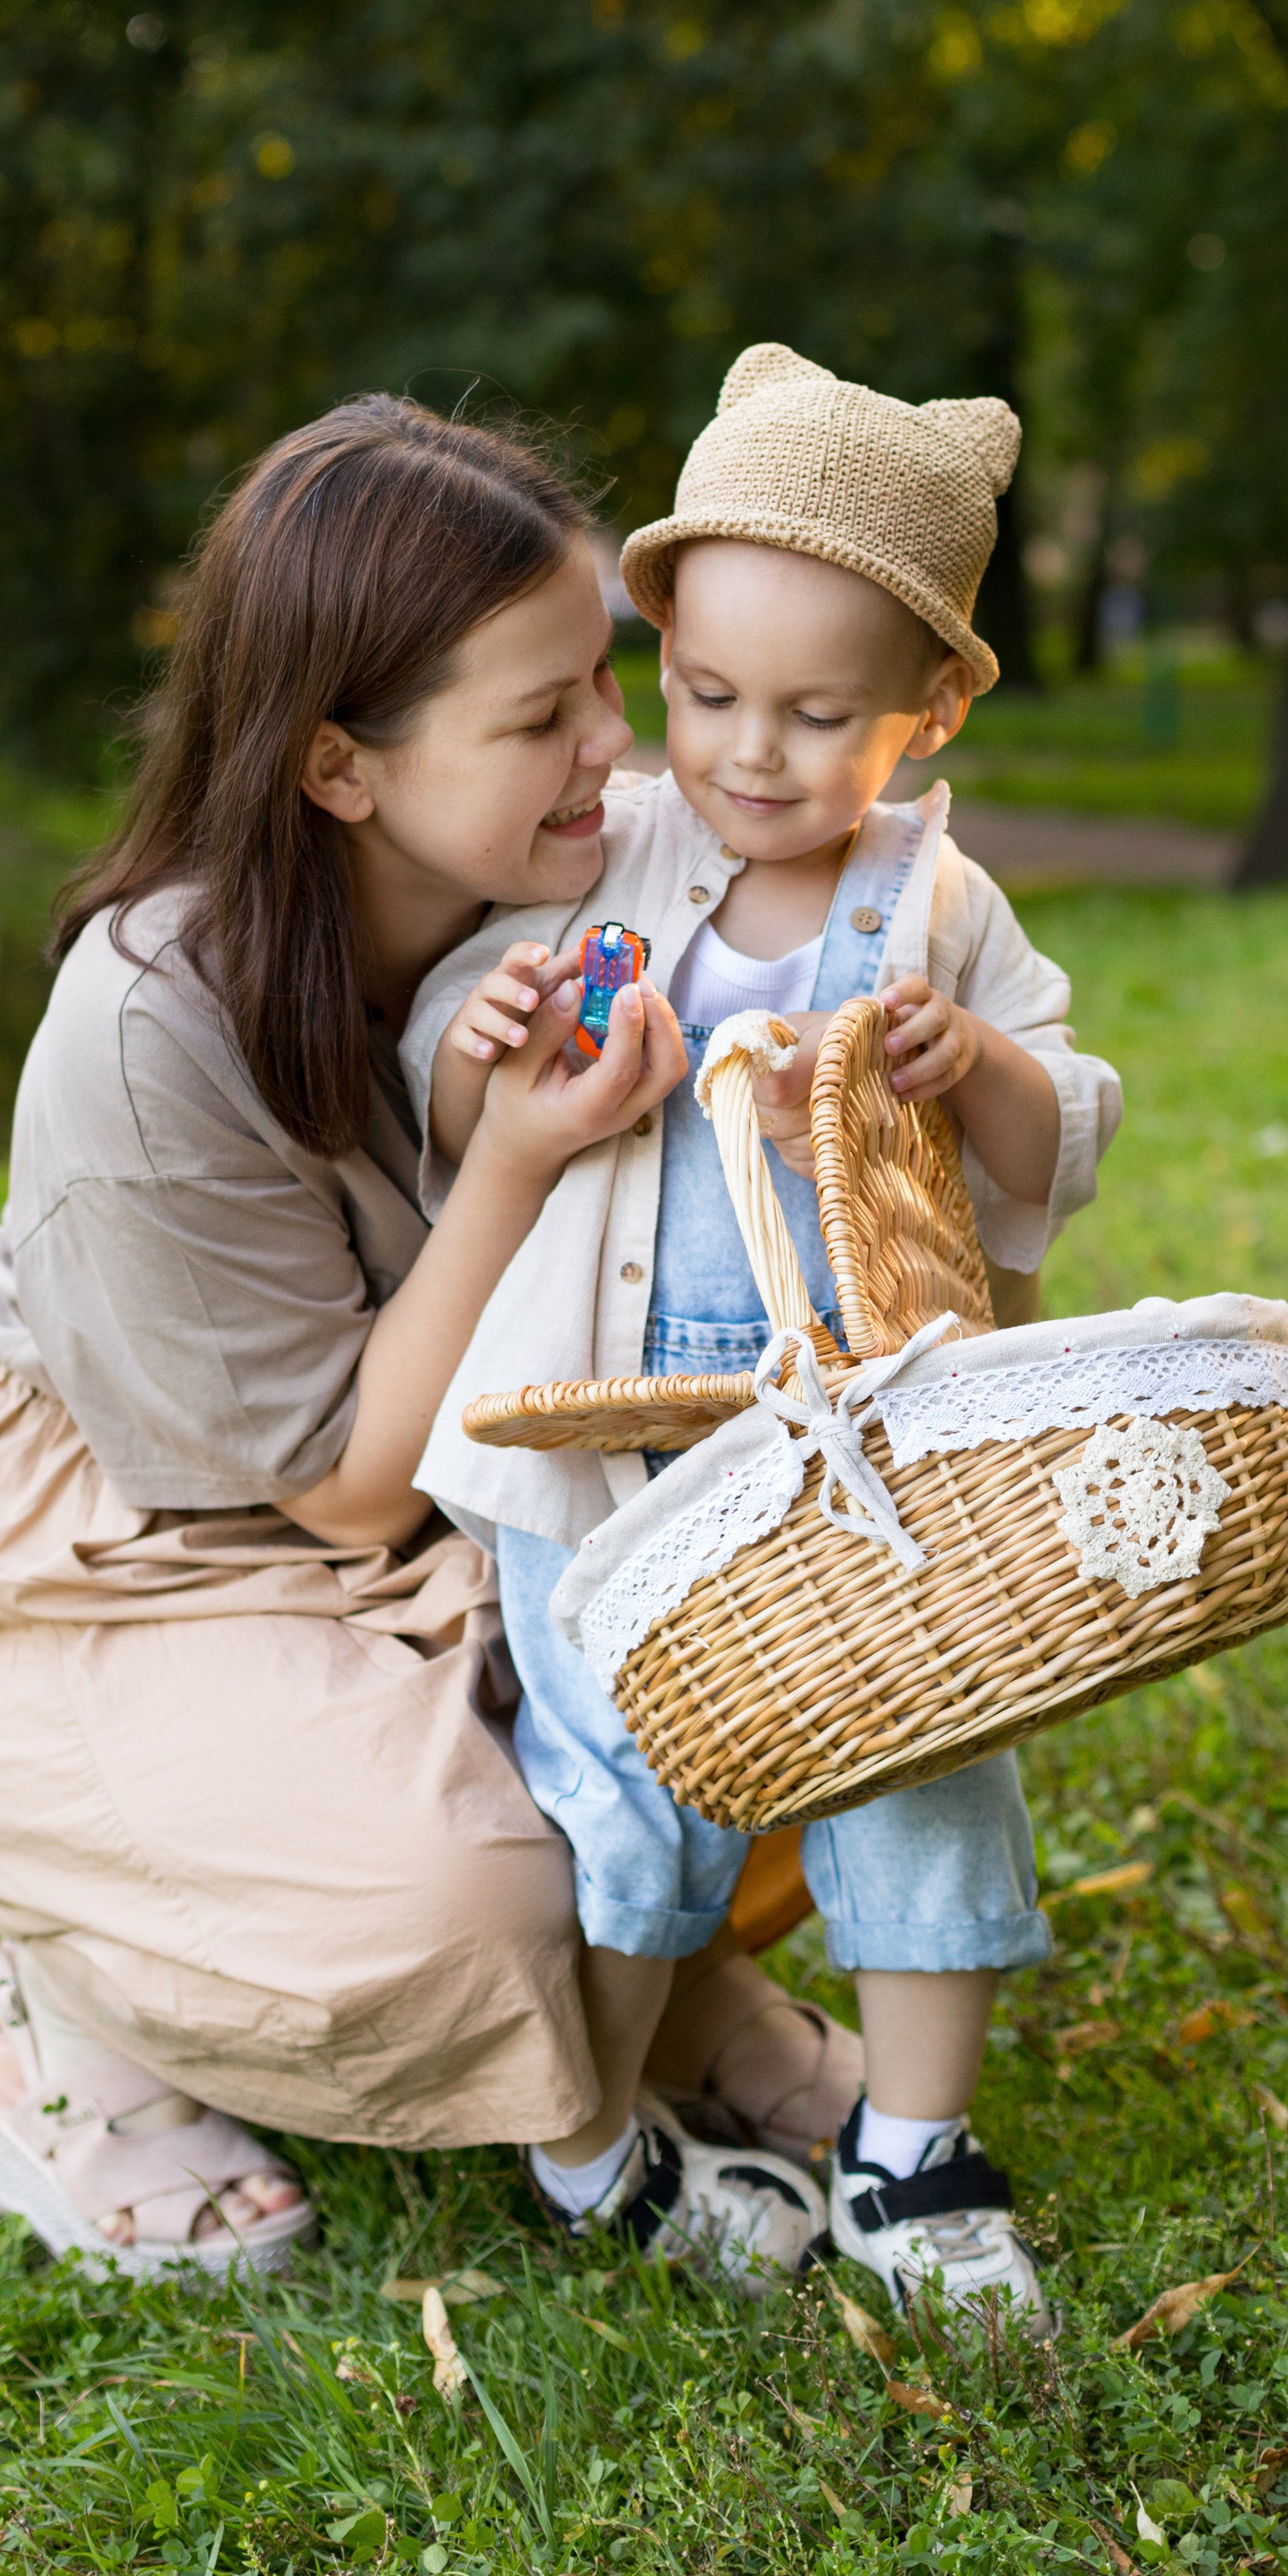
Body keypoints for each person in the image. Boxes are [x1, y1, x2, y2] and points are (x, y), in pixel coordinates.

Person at [0, 393, 835, 2285]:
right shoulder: (155, 1022)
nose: (615, 750)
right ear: (338, 766)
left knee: (766, 1674)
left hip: (457, 1483)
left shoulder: (566, 874)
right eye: (541, 718)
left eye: (605, 687)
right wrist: (516, 1161)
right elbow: (345, 1495)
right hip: (137, 1546)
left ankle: (674, 2001)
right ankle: (81, 2014)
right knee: (461, 1905)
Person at [408, 344, 1124, 2325]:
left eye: (819, 716)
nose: (748, 751)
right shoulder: (619, 857)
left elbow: (1062, 1120)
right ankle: (593, 2128)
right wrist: (488, 1061)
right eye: (707, 694)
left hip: (855, 1447)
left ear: (928, 707)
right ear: (656, 652)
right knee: (620, 1781)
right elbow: (470, 1096)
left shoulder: (930, 905)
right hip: (599, 1444)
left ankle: (915, 2154)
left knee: (919, 1749)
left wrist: (966, 1064)